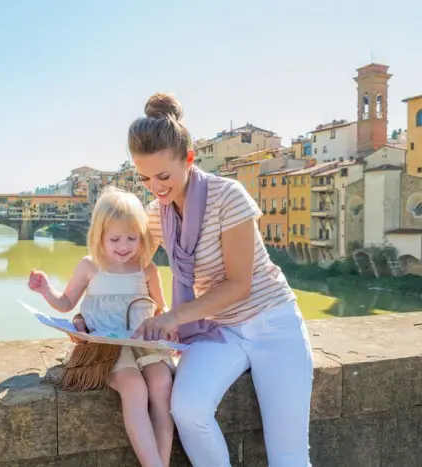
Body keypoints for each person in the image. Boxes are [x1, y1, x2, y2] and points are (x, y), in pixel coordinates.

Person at [127, 92, 314, 467]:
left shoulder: (229, 196)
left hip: (272, 321)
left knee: (287, 455)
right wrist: (88, 311)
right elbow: (127, 267)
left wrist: (173, 318)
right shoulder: (154, 214)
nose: (156, 187)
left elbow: (239, 284)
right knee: (188, 410)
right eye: (145, 178)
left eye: (164, 175)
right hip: (219, 331)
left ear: (189, 159)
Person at [28, 187, 175, 467]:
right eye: (115, 238)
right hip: (106, 351)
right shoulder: (89, 266)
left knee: (162, 383)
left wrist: (169, 324)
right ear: (99, 236)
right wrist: (46, 289)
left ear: (142, 236)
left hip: (144, 344)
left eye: (132, 238)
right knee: (134, 388)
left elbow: (161, 308)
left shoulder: (147, 269)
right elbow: (66, 302)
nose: (124, 246)